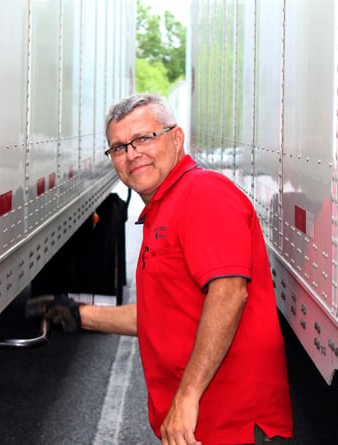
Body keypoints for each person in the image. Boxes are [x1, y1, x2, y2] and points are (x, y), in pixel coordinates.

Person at [46, 94, 293, 445]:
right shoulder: (164, 208)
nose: (132, 154)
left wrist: (187, 396)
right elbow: (160, 315)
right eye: (119, 147)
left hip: (227, 420)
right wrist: (78, 314)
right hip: (197, 425)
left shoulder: (203, 193)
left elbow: (229, 292)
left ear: (176, 139)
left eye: (145, 138)